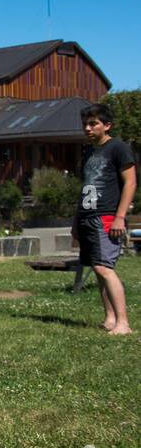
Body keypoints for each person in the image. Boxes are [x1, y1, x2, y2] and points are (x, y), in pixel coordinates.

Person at [72, 103, 135, 335]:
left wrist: (120, 217)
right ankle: (109, 318)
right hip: (87, 216)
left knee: (104, 267)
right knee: (98, 269)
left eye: (93, 124)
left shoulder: (118, 148)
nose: (88, 128)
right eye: (85, 124)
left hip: (107, 216)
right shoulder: (88, 152)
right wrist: (76, 221)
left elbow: (130, 182)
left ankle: (123, 323)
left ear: (107, 125)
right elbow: (85, 188)